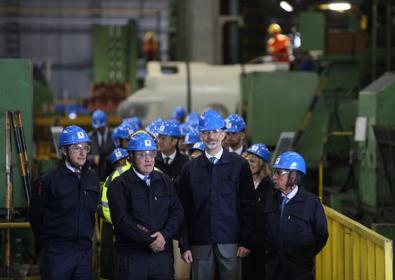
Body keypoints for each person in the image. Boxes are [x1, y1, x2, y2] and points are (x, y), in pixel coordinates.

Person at [178, 109, 256, 280]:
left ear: (223, 135)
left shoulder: (239, 165)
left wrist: (246, 240)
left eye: (215, 132)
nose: (211, 136)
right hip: (200, 242)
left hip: (231, 241)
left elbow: (249, 206)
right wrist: (185, 245)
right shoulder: (190, 169)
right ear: (200, 136)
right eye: (206, 132)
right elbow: (183, 210)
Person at [107, 131, 184, 279]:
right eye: (142, 154)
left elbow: (177, 211)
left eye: (151, 153)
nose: (148, 159)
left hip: (161, 257)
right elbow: (122, 220)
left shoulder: (164, 181)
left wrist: (164, 235)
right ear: (131, 157)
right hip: (132, 257)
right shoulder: (119, 185)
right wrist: (149, 239)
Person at [29, 125, 100, 280]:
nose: (82, 153)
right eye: (76, 148)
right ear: (64, 151)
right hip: (57, 255)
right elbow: (35, 218)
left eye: (85, 148)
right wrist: (50, 245)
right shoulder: (48, 181)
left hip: (83, 253)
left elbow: (91, 213)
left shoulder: (92, 178)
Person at [264, 151, 328, 280]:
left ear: (293, 176)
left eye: (279, 173)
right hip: (274, 269)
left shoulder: (311, 203)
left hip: (299, 270)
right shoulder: (270, 199)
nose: (274, 177)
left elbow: (321, 234)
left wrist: (303, 255)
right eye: (274, 172)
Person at [241, 144, 275, 280]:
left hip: (262, 245)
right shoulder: (241, 183)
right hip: (243, 244)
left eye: (253, 161)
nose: (249, 164)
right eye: (247, 160)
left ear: (262, 164)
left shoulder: (270, 188)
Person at [99, 148, 130, 280]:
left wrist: (119, 224)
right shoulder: (139, 172)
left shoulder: (110, 178)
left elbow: (105, 208)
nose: (120, 165)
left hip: (119, 228)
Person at [89, 109, 115, 181]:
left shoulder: (114, 135)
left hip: (112, 174)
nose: (99, 129)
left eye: (101, 126)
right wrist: (93, 158)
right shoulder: (90, 137)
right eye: (97, 127)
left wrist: (106, 159)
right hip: (96, 175)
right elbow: (85, 156)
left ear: (106, 123)